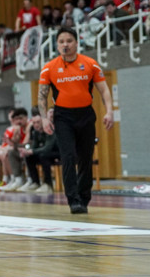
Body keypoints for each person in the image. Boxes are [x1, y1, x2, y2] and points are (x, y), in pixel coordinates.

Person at [37, 27, 114, 214]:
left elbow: (104, 90)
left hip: (86, 115)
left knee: (86, 157)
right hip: (63, 117)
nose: (65, 44)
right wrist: (44, 118)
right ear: (57, 45)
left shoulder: (90, 64)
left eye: (69, 41)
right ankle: (73, 199)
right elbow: (42, 96)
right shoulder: (49, 68)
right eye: (61, 41)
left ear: (76, 43)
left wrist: (109, 111)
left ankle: (84, 197)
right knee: (68, 156)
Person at [21, 108, 55, 192]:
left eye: (38, 122)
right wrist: (27, 151)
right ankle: (35, 182)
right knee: (29, 156)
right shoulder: (36, 132)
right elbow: (34, 146)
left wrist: (32, 151)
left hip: (56, 152)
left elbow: (48, 148)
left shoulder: (49, 129)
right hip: (45, 152)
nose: (35, 125)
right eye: (34, 123)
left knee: (43, 155)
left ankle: (48, 184)